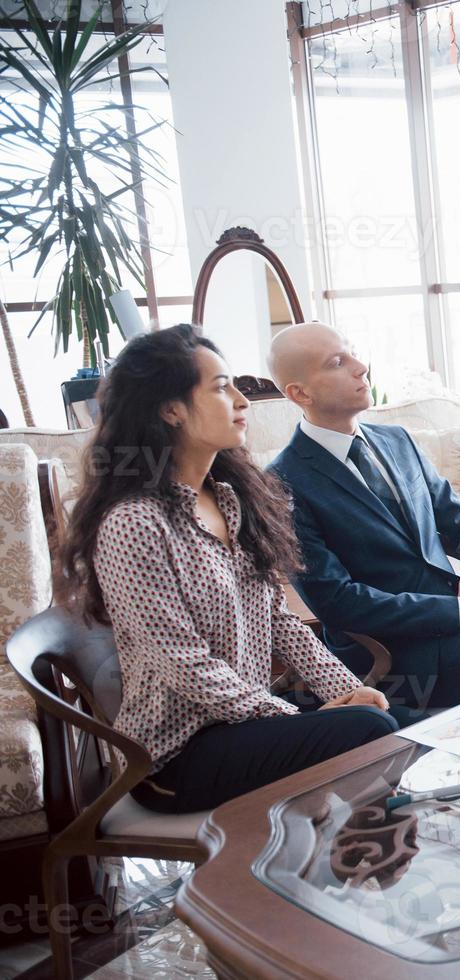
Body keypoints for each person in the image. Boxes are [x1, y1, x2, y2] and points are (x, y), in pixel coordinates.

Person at [55, 325, 397, 814]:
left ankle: (347, 872)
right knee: (371, 732)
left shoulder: (232, 499)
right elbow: (185, 664)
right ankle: (335, 873)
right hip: (178, 757)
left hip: (247, 723)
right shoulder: (134, 523)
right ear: (170, 409)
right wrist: (286, 718)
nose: (243, 400)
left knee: (386, 715)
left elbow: (280, 621)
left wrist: (346, 688)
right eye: (220, 387)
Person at [267, 322, 460, 721]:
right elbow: (339, 602)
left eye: (353, 352)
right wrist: (457, 609)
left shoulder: (396, 440)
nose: (361, 366)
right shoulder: (280, 482)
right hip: (399, 643)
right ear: (300, 393)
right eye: (337, 362)